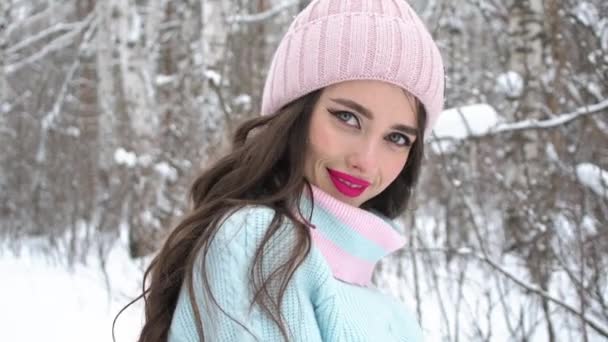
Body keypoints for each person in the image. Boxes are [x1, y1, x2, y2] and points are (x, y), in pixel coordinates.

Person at [124, 0, 444, 341]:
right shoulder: (257, 240)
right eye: (347, 118)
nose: (365, 160)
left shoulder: (362, 286)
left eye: (396, 138)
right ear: (295, 113)